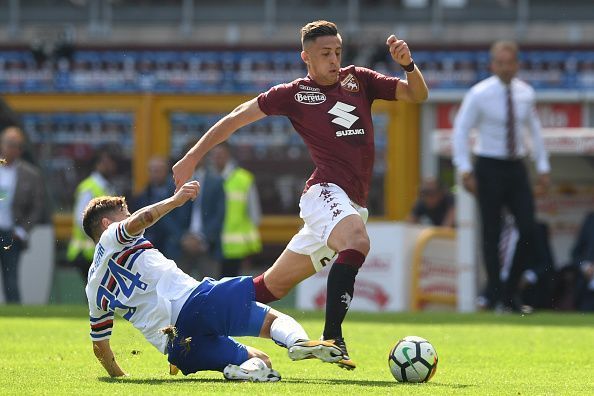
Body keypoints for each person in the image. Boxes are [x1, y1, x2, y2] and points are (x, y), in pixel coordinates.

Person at [172, 20, 428, 369]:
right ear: (305, 57)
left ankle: (195, 318)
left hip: (350, 203)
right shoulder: (293, 93)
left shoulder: (360, 80)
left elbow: (418, 95)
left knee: (270, 288)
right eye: (325, 54)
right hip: (324, 192)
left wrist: (408, 66)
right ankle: (333, 338)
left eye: (338, 52)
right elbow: (235, 117)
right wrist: (190, 158)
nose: (334, 60)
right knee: (356, 241)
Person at [83, 181, 344, 380]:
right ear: (106, 224)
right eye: (123, 213)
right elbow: (143, 218)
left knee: (261, 360)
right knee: (273, 321)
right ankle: (297, 342)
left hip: (177, 347)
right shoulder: (111, 237)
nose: (128, 217)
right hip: (194, 302)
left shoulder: (93, 286)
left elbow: (100, 347)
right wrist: (175, 200)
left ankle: (244, 371)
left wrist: (121, 377)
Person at [452, 40, 550, 312]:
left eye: (510, 62)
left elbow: (534, 131)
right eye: (501, 63)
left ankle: (509, 291)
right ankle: (495, 294)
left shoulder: (526, 93)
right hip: (489, 165)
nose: (506, 68)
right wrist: (464, 168)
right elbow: (461, 130)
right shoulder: (479, 93)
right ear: (492, 65)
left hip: (516, 166)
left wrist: (543, 166)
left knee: (529, 229)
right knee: (491, 234)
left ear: (517, 64)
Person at [0, 126, 45, 303]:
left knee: (11, 279)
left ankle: (14, 316)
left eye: (17, 145)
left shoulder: (30, 174)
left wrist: (22, 230)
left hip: (12, 234)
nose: (12, 149)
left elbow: (38, 206)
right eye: (9, 144)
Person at [67, 147, 119, 281]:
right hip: (86, 252)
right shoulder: (89, 187)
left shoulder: (107, 186)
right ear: (98, 164)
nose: (111, 166)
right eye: (107, 162)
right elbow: (81, 220)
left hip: (98, 250)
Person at [211, 143, 262, 278]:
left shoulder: (243, 178)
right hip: (210, 241)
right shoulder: (204, 177)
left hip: (235, 245)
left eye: (221, 155)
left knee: (230, 283)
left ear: (229, 156)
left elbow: (254, 213)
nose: (218, 158)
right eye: (215, 155)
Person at [132, 156, 188, 260]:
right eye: (152, 171)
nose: (154, 174)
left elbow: (182, 217)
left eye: (158, 171)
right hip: (151, 246)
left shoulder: (177, 192)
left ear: (166, 171)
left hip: (173, 245)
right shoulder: (143, 195)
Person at [179, 155, 226, 279]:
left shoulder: (216, 181)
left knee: (212, 291)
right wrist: (183, 237)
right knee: (174, 293)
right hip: (180, 245)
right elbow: (168, 215)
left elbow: (220, 214)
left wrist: (202, 237)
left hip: (208, 246)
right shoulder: (176, 180)